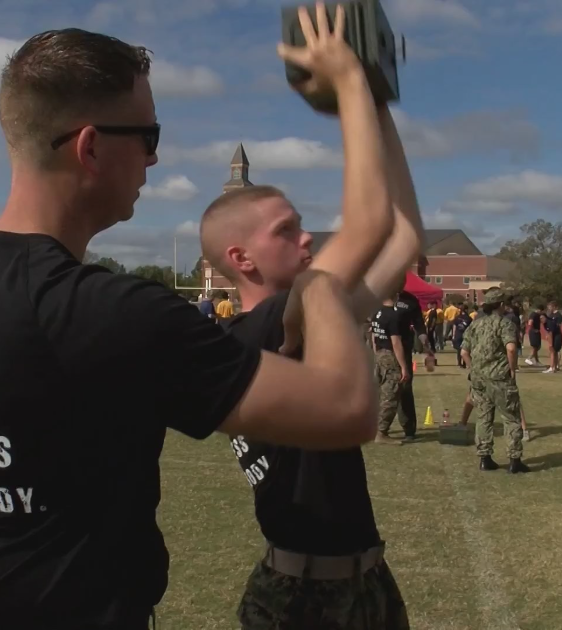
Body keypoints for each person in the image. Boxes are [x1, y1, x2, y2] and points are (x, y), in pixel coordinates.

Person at [0, 27, 383, 630]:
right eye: (148, 136)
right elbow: (348, 408)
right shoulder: (109, 311)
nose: (154, 158)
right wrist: (316, 287)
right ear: (90, 147)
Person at [199, 5, 424, 627]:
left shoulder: (306, 312)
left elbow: (403, 237)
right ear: (240, 258)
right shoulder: (262, 332)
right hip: (301, 600)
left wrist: (378, 97)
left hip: (368, 581)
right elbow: (371, 225)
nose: (307, 241)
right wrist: (349, 81)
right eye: (287, 230)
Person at [460, 289, 530, 473]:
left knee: (483, 418)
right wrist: (512, 368)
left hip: (479, 379)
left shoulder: (475, 325)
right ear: (500, 305)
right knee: (511, 418)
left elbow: (464, 352)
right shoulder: (504, 324)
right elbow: (512, 349)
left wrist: (473, 368)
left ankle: (485, 458)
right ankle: (514, 460)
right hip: (499, 378)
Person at [372, 294, 411, 444]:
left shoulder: (377, 312)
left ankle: (375, 428)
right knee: (390, 395)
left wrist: (376, 355)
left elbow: (374, 336)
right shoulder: (393, 315)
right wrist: (403, 367)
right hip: (389, 355)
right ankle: (382, 432)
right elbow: (396, 343)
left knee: (379, 393)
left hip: (380, 354)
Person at [394, 289, 432, 441]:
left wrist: (424, 339)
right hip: (382, 350)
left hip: (404, 348)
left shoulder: (410, 300)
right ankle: (381, 427)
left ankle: (409, 428)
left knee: (405, 387)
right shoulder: (377, 294)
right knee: (382, 388)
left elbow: (419, 324)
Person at [542, 301, 562, 373]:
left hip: (556, 335)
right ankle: (554, 366)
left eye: (550, 307)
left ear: (554, 307)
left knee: (553, 351)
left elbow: (557, 326)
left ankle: (552, 367)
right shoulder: (550, 315)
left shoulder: (558, 315)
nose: (549, 308)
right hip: (551, 335)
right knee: (553, 351)